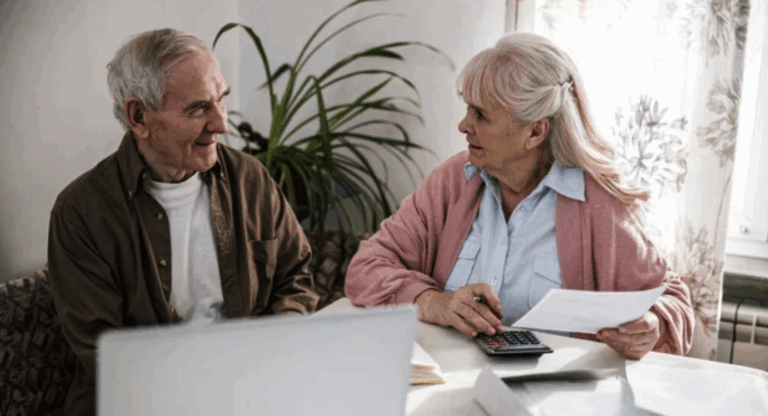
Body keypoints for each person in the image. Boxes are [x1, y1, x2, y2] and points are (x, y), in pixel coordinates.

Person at [345, 32, 694, 359]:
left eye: (480, 114)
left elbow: (673, 299)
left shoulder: (600, 203)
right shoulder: (452, 181)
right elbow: (368, 266)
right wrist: (435, 303)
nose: (463, 125)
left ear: (535, 132)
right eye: (467, 109)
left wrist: (652, 325)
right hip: (445, 387)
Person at [47, 28, 319, 415]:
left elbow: (296, 275)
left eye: (221, 100)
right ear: (139, 116)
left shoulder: (249, 178)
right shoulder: (81, 213)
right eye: (197, 109)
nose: (221, 124)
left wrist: (277, 345)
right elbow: (104, 353)